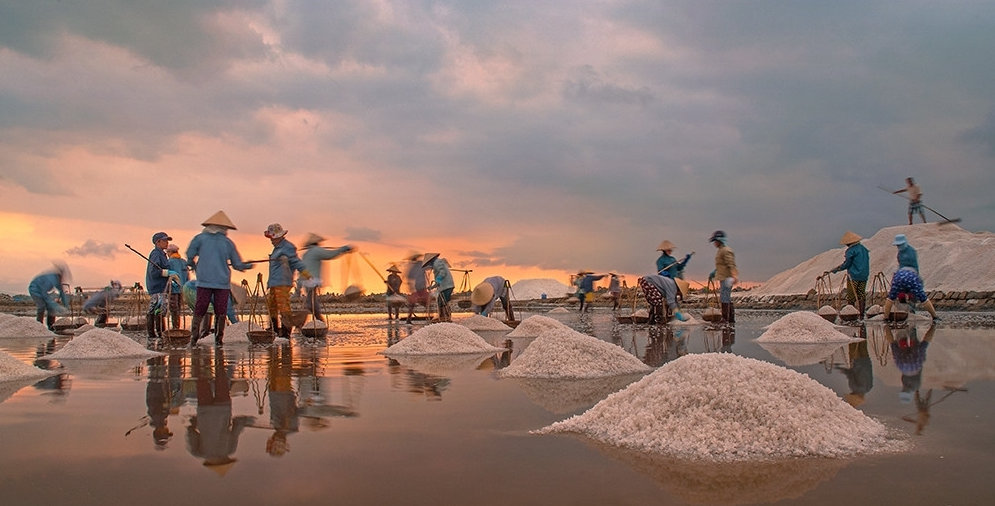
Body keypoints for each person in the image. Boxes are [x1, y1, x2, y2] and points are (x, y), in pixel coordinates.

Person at [186, 211, 254, 346]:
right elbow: (237, 264)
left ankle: (193, 339)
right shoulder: (228, 243)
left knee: (200, 309)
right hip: (222, 283)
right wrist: (248, 265)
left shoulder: (199, 238)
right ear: (224, 229)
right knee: (220, 311)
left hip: (204, 281)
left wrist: (191, 263)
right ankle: (218, 340)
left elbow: (190, 255)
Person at [263, 224, 312, 337]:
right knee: (272, 307)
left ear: (279, 236)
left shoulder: (287, 247)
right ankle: (274, 330)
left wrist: (306, 273)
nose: (271, 241)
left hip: (282, 282)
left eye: (272, 238)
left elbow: (295, 262)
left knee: (283, 306)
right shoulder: (277, 248)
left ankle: (286, 332)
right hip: (274, 282)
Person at [299, 233, 353, 323]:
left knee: (310, 300)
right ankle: (319, 320)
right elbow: (330, 255)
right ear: (316, 243)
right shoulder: (316, 251)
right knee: (311, 301)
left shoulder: (306, 254)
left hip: (305, 280)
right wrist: (344, 249)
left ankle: (305, 322)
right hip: (312, 280)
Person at [827, 231, 870, 318]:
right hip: (864, 275)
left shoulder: (850, 251)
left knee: (851, 295)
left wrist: (836, 269)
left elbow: (847, 264)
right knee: (861, 294)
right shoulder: (864, 249)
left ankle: (851, 314)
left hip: (853, 276)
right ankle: (861, 314)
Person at [28, 261, 72, 330]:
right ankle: (39, 326)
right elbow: (44, 295)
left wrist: (66, 306)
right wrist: (57, 306)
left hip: (42, 291)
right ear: (59, 275)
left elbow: (62, 292)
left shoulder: (57, 280)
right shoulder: (51, 279)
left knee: (51, 309)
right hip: (35, 290)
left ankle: (51, 326)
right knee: (41, 306)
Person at [146, 232, 173, 340]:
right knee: (156, 309)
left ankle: (159, 333)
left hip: (161, 287)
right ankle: (153, 334)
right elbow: (154, 272)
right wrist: (167, 273)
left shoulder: (162, 254)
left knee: (160, 310)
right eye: (165, 240)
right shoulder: (156, 254)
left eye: (167, 241)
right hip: (157, 287)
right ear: (158, 242)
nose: (167, 243)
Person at [708, 230, 738, 325]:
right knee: (725, 297)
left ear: (719, 240)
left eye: (715, 241)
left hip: (727, 277)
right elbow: (721, 265)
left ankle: (726, 319)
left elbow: (731, 264)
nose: (714, 243)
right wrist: (714, 272)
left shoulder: (725, 250)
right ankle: (730, 319)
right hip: (722, 276)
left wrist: (734, 276)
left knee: (725, 297)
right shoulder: (721, 250)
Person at [422, 253, 454, 322]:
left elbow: (442, 272)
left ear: (430, 261)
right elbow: (437, 282)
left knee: (442, 302)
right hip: (445, 286)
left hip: (446, 286)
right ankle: (444, 317)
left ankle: (445, 317)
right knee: (442, 301)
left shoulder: (437, 262)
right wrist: (432, 287)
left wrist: (439, 279)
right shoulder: (436, 263)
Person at [166, 244, 190, 329]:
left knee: (173, 308)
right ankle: (177, 326)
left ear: (170, 252)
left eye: (167, 252)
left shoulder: (169, 262)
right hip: (182, 288)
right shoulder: (183, 262)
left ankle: (175, 327)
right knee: (178, 308)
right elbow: (187, 276)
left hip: (173, 288)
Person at [405, 253, 430, 323]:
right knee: (425, 302)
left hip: (418, 286)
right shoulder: (419, 265)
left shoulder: (415, 266)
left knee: (413, 304)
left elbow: (409, 277)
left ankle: (409, 319)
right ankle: (427, 317)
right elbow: (429, 267)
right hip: (420, 286)